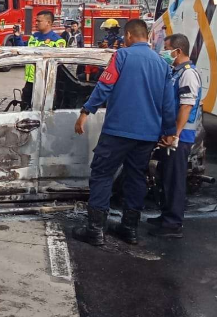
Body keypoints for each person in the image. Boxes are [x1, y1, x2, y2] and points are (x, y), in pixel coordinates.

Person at [73, 19, 176, 246]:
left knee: (102, 174)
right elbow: (169, 103)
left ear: (128, 36)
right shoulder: (162, 65)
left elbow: (104, 86)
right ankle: (130, 230)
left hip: (118, 131)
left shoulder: (121, 56)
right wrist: (169, 131)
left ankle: (96, 231)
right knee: (136, 178)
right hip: (147, 135)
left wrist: (86, 110)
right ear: (146, 36)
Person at [148, 33, 202, 239]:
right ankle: (166, 215)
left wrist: (175, 134)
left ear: (178, 51)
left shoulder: (188, 73)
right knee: (165, 176)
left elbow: (186, 106)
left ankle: (173, 223)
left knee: (175, 179)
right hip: (169, 134)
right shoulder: (175, 72)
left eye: (166, 48)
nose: (164, 53)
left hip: (180, 136)